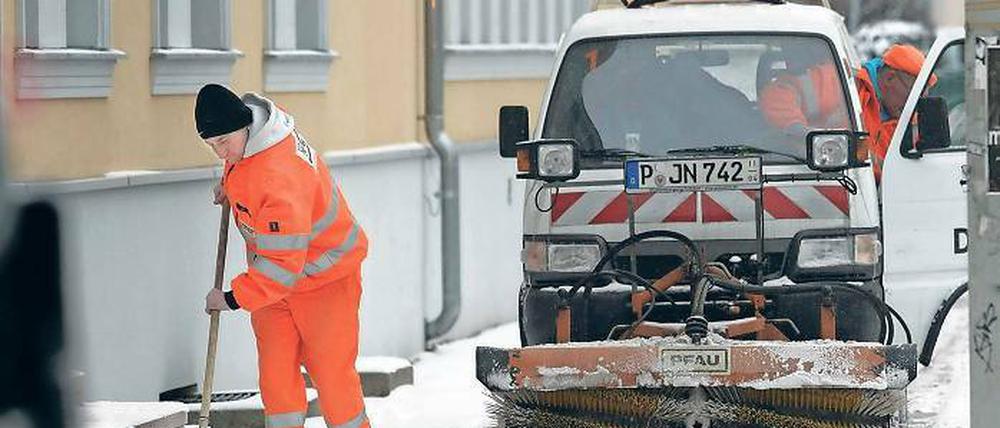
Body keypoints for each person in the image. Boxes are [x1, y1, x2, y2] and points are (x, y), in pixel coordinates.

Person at [195, 84, 369, 428]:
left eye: (223, 143)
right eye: (212, 145)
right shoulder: (251, 140)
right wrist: (229, 185)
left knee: (331, 376)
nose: (220, 154)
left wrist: (229, 299)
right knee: (276, 376)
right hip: (273, 282)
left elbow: (280, 266)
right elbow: (245, 168)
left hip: (325, 279)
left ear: (244, 128)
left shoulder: (280, 178)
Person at [855, 44, 933, 179]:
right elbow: (835, 141)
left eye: (920, 99)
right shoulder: (847, 87)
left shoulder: (908, 118)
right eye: (912, 95)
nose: (914, 106)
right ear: (890, 78)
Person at [759, 45, 850, 139]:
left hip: (838, 145)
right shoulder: (778, 92)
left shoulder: (840, 74)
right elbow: (795, 130)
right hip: (831, 146)